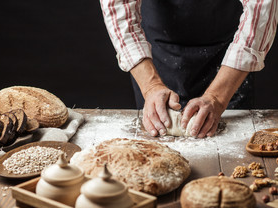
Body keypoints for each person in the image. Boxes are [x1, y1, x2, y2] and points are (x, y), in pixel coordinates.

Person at [100, 0, 278, 138]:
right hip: (158, 49)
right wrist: (151, 86)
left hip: (231, 50)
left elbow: (261, 8)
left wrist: (217, 97)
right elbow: (118, 9)